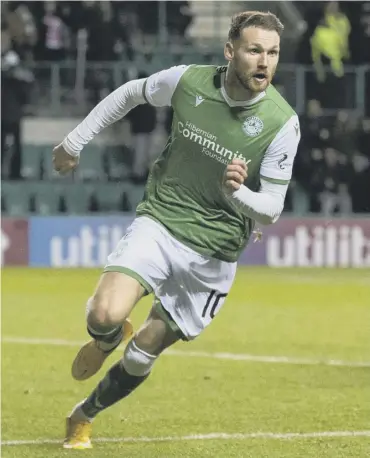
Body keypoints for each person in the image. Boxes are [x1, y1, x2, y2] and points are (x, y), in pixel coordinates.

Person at [53, 11, 301, 449]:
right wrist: (75, 141)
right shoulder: (189, 81)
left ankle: (84, 414)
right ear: (230, 51)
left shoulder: (282, 123)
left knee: (144, 351)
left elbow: (272, 210)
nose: (264, 62)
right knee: (102, 315)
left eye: (273, 52)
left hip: (215, 253)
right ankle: (108, 335)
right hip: (163, 221)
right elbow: (131, 93)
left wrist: (238, 193)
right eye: (254, 50)